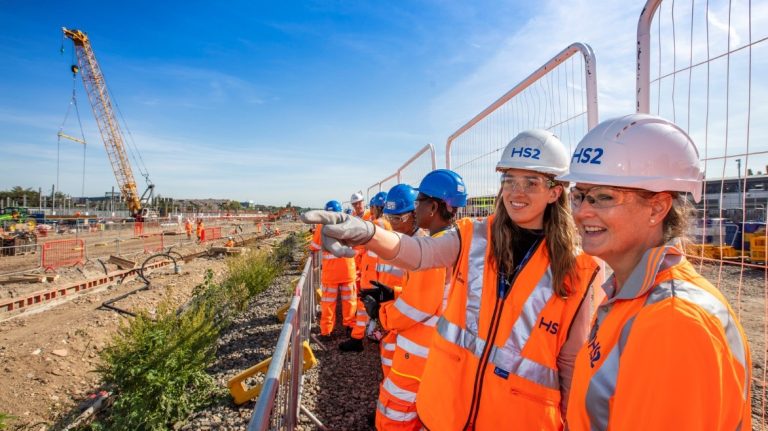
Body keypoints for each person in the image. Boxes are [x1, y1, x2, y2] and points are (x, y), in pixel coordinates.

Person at [304, 129, 600, 430]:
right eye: (509, 180)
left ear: (555, 191)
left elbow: (571, 363)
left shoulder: (577, 268)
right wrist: (368, 234)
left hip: (517, 420)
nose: (516, 192)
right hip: (448, 409)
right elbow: (419, 251)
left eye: (531, 182)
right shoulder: (474, 236)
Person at [557, 114, 752, 430]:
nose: (581, 211)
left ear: (658, 208)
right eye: (578, 195)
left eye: (603, 196)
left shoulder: (673, 323)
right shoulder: (630, 295)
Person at [372, 170, 464, 431]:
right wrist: (394, 294)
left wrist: (383, 313)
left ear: (433, 207)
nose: (416, 208)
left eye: (419, 202)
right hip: (434, 349)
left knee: (395, 415)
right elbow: (432, 299)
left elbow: (415, 308)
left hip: (417, 353)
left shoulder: (433, 250)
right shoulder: (453, 242)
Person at [339, 191, 391, 352]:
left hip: (372, 275)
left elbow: (360, 244)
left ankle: (358, 338)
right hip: (377, 273)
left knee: (363, 308)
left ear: (376, 207)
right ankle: (368, 335)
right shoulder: (387, 225)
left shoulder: (377, 225)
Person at [310, 200, 357, 341]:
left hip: (331, 274)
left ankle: (327, 332)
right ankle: (350, 326)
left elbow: (314, 246)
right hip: (348, 271)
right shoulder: (348, 223)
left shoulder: (322, 227)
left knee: (328, 304)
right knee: (350, 301)